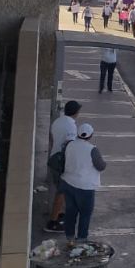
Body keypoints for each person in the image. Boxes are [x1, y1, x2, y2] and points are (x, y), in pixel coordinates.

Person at [60, 123, 106, 243]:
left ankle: (69, 237)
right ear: (90, 135)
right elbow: (101, 166)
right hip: (85, 187)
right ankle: (81, 239)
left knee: (70, 212)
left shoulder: (70, 145)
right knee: (85, 214)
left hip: (68, 182)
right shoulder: (92, 149)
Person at [44, 101, 80, 233]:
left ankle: (58, 214)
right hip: (61, 162)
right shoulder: (71, 126)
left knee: (60, 190)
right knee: (62, 192)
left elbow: (51, 139)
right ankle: (52, 222)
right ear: (76, 112)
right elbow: (69, 145)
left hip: (54, 158)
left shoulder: (57, 121)